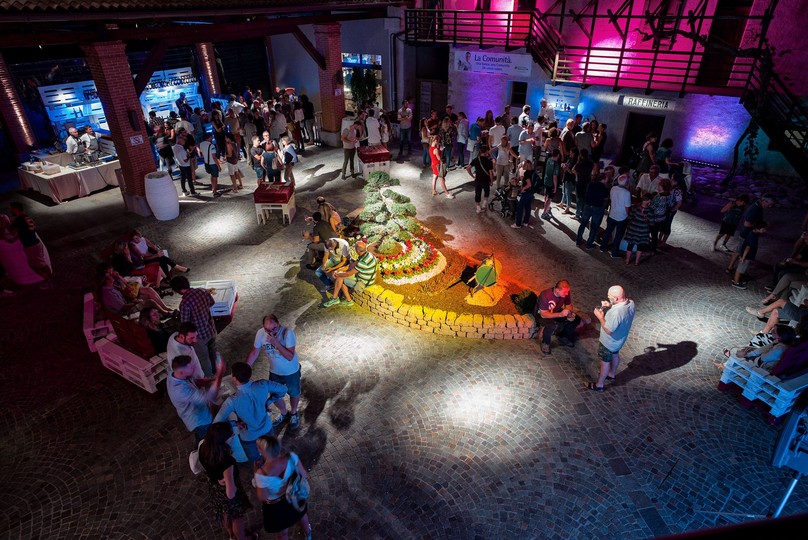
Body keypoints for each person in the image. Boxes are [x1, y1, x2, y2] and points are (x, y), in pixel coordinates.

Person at [214, 362, 288, 462]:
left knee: (256, 462)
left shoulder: (232, 401)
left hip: (249, 437)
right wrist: (269, 401)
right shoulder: (263, 384)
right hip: (266, 428)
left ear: (234, 378)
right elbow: (284, 389)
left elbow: (216, 423)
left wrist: (234, 423)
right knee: (272, 455)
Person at [245, 314, 303, 432]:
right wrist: (245, 368)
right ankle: (284, 413)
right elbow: (254, 352)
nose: (271, 333)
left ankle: (293, 413)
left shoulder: (287, 333)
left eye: (274, 329)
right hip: (275, 372)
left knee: (294, 393)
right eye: (267, 330)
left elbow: (290, 356)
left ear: (278, 324)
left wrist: (276, 343)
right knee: (275, 396)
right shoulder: (260, 333)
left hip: (291, 371)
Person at [198, 422, 253, 540]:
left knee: (225, 513)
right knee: (237, 518)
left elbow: (207, 469)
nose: (233, 436)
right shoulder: (227, 461)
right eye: (231, 435)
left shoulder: (203, 447)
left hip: (215, 488)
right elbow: (230, 493)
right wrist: (233, 488)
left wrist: (217, 480)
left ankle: (231, 536)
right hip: (227, 493)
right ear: (222, 440)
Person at [253, 435, 312, 539]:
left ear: (262, 451)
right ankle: (308, 534)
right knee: (301, 515)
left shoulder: (261, 474)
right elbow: (303, 474)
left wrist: (255, 473)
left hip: (276, 506)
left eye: (258, 447)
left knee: (282, 533)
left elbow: (263, 497)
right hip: (294, 496)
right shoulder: (291, 457)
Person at [588, 286, 636, 391]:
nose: (608, 298)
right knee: (615, 354)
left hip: (608, 342)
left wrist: (600, 317)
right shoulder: (631, 303)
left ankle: (599, 385)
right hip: (618, 341)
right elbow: (620, 311)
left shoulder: (616, 313)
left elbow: (608, 330)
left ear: (616, 298)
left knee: (605, 363)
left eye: (610, 297)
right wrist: (610, 305)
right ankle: (611, 374)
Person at [168, 354, 225, 443]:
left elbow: (195, 381)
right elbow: (209, 397)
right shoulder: (181, 391)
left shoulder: (174, 373)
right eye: (191, 367)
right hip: (199, 421)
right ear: (182, 372)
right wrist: (220, 375)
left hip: (200, 413)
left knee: (201, 438)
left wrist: (213, 378)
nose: (194, 367)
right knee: (207, 440)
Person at [171, 276, 218, 377]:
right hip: (211, 329)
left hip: (199, 336)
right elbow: (212, 303)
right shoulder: (202, 291)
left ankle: (210, 378)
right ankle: (217, 371)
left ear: (179, 290)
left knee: (204, 358)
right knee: (213, 352)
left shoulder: (185, 303)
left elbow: (185, 323)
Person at [322, 241, 378, 307]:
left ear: (357, 250)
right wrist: (338, 270)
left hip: (364, 283)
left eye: (355, 247)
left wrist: (337, 274)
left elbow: (348, 274)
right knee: (340, 277)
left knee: (339, 278)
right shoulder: (366, 255)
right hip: (366, 278)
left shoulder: (363, 262)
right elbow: (351, 266)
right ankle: (345, 300)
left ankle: (336, 298)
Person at [534, 280, 582, 355]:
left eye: (567, 292)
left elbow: (568, 305)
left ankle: (563, 336)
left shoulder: (565, 293)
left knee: (576, 319)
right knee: (551, 325)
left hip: (555, 311)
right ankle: (546, 343)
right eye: (564, 292)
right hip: (541, 314)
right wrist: (560, 314)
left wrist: (570, 314)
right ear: (557, 290)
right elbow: (543, 314)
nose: (567, 294)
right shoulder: (545, 295)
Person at [9, 202, 52, 280]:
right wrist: (15, 239)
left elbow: (12, 232)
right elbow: (25, 231)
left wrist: (9, 224)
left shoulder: (18, 220)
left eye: (11, 209)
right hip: (35, 243)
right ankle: (48, 279)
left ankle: (48, 280)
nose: (10, 211)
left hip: (31, 246)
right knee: (36, 265)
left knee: (40, 266)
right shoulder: (27, 217)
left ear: (15, 209)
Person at [727, 220, 767, 289]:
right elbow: (748, 248)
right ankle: (736, 282)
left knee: (741, 268)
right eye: (763, 229)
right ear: (757, 229)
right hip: (746, 256)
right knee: (740, 269)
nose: (764, 231)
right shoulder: (753, 236)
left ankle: (736, 280)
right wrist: (743, 258)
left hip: (745, 255)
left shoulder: (752, 233)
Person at [600, 174, 633, 258]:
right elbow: (627, 207)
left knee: (608, 232)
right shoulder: (627, 193)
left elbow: (611, 200)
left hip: (612, 214)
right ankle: (614, 253)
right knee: (618, 235)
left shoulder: (613, 188)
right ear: (626, 183)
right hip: (622, 217)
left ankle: (602, 247)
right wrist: (628, 216)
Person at [576, 172, 609, 248]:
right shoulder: (604, 188)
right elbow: (606, 198)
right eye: (607, 178)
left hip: (587, 205)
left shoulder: (591, 184)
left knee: (583, 223)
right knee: (594, 226)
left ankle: (578, 240)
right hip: (597, 208)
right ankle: (589, 244)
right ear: (604, 179)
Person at [623, 195, 654, 266]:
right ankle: (636, 262)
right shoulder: (650, 211)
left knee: (630, 245)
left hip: (633, 230)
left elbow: (629, 217)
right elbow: (652, 223)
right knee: (640, 247)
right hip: (643, 232)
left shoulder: (635, 208)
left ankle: (627, 260)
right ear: (648, 201)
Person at [467, 145, 495, 214]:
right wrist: (491, 181)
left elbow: (468, 168)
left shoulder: (476, 159)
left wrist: (473, 176)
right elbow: (491, 173)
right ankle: (484, 205)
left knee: (477, 193)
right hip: (486, 180)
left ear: (480, 151)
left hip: (478, 180)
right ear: (486, 152)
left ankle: (478, 208)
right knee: (486, 192)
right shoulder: (489, 161)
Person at [511, 161, 534, 229]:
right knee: (528, 207)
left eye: (523, 165)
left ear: (526, 166)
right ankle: (526, 222)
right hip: (531, 192)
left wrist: (523, 189)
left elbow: (529, 184)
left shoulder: (527, 173)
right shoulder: (533, 171)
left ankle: (518, 224)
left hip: (526, 192)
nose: (522, 165)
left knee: (520, 207)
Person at [573, 149, 595, 221]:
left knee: (579, 199)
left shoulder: (580, 163)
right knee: (584, 199)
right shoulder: (591, 163)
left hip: (580, 182)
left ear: (581, 155)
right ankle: (583, 214)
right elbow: (593, 172)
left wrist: (578, 161)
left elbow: (573, 170)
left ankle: (577, 214)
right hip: (587, 182)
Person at [539, 149, 561, 221]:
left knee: (546, 195)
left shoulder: (548, 159)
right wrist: (555, 187)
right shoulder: (556, 164)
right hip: (551, 183)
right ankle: (544, 213)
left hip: (546, 181)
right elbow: (555, 177)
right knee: (550, 198)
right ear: (558, 155)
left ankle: (546, 208)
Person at [198, 132, 221, 197]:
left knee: (212, 175)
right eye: (211, 137)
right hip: (213, 163)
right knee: (215, 177)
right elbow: (214, 157)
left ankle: (213, 188)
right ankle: (215, 191)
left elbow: (201, 154)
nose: (212, 138)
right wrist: (218, 166)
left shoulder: (201, 144)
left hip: (206, 163)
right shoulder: (212, 146)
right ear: (209, 137)